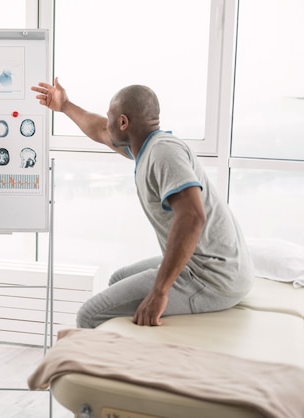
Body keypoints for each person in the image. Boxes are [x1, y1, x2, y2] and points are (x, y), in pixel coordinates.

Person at [31, 77, 254, 328]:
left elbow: (193, 217)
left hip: (213, 278)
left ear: (123, 122)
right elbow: (101, 131)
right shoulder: (148, 147)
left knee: (89, 315)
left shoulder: (162, 153)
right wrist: (65, 106)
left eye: (111, 117)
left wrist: (160, 292)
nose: (108, 123)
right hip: (212, 264)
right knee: (118, 277)